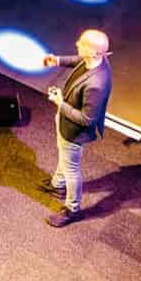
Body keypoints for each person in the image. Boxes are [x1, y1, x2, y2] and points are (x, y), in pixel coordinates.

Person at [34, 30, 113, 227]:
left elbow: (87, 119)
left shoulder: (96, 84)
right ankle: (57, 185)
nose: (77, 43)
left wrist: (60, 103)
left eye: (83, 43)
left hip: (74, 131)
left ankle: (72, 209)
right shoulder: (97, 60)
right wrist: (57, 60)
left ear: (95, 52)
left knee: (71, 169)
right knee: (64, 155)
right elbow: (80, 60)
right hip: (66, 123)